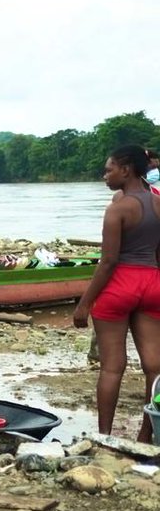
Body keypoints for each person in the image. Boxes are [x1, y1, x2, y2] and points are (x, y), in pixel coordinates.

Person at [74, 144, 160, 441]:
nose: (105, 175)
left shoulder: (117, 210)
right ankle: (146, 436)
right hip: (152, 283)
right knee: (154, 366)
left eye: (109, 169)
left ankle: (104, 436)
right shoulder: (159, 203)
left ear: (126, 170)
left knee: (112, 368)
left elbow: (108, 261)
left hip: (120, 285)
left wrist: (84, 305)